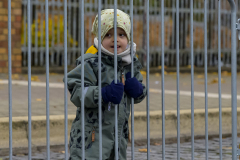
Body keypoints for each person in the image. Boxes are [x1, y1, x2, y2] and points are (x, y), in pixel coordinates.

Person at [65, 9, 146, 160]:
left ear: (128, 38)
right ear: (99, 37)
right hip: (90, 142)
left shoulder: (130, 64)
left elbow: (140, 93)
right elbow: (77, 91)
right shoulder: (91, 62)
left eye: (121, 35)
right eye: (108, 35)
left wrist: (138, 90)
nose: (115, 40)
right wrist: (102, 93)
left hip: (118, 141)